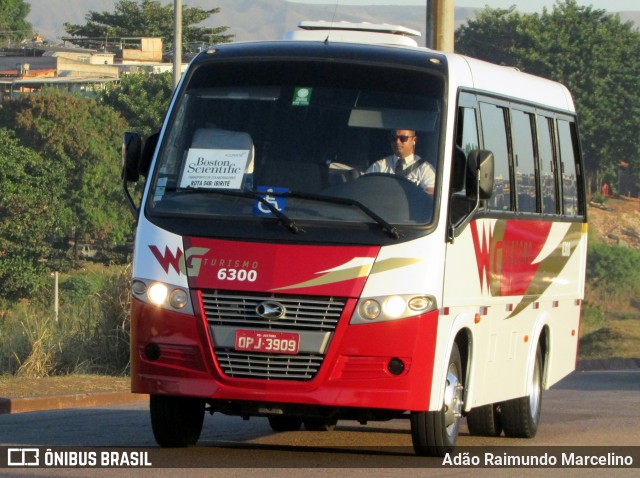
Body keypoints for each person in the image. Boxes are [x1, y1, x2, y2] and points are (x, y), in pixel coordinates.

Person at [365, 129, 435, 195]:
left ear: (414, 140)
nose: (397, 142)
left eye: (403, 138)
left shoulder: (425, 169)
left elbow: (430, 195)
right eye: (394, 138)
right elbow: (364, 188)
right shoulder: (379, 166)